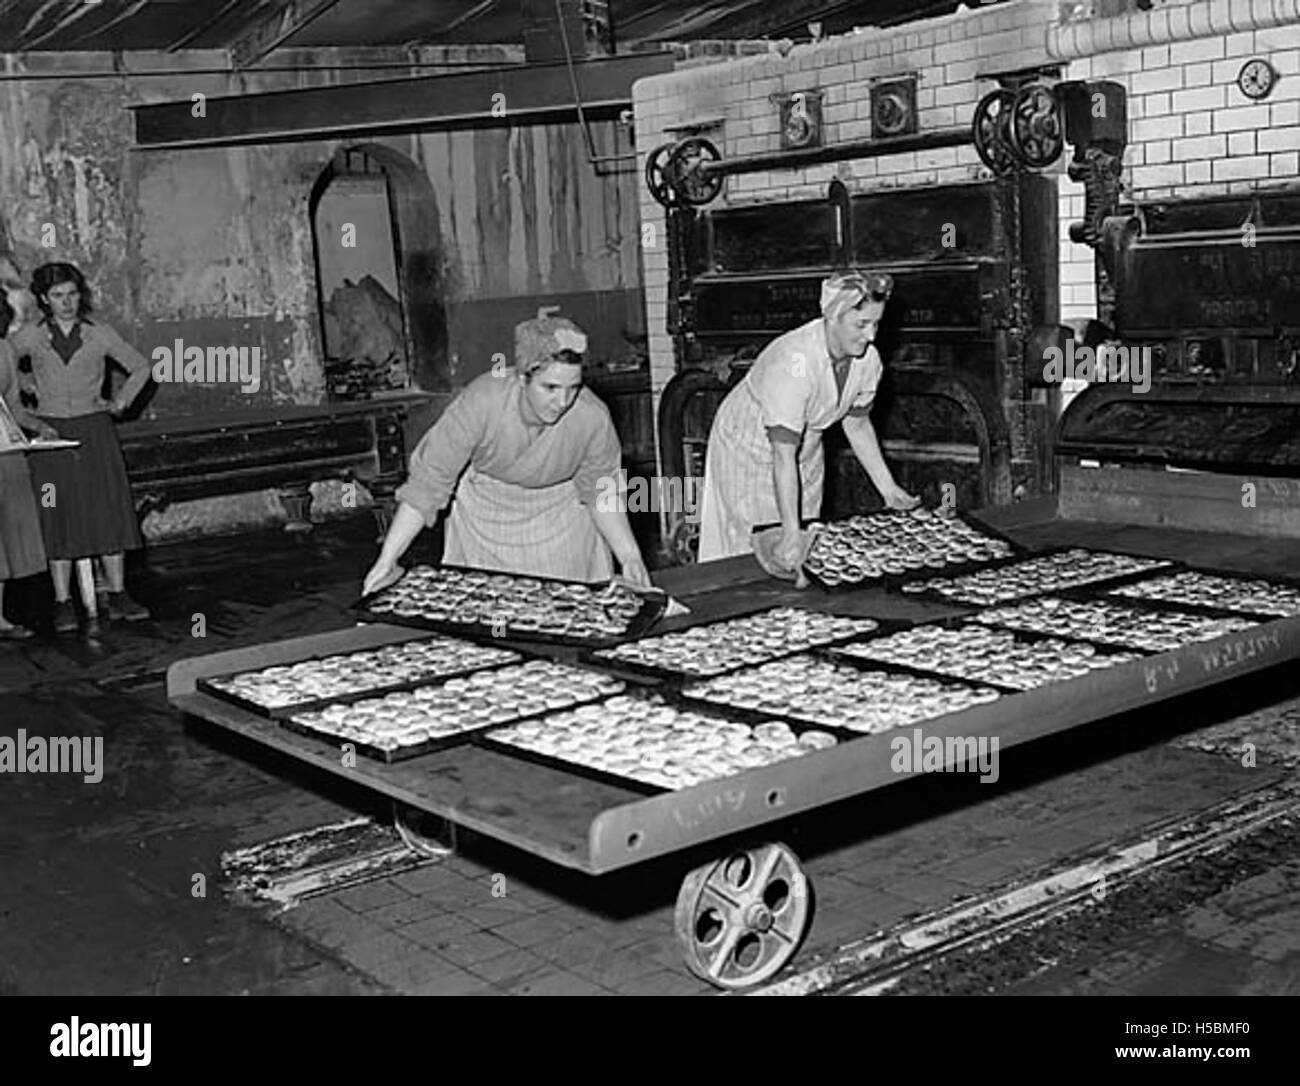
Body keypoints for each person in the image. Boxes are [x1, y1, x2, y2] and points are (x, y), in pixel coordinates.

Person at [363, 310, 651, 594]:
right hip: (487, 521)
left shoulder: (591, 417)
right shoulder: (481, 403)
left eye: (572, 388)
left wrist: (630, 556)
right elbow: (426, 487)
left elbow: (601, 492)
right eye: (549, 387)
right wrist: (387, 560)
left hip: (561, 524)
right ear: (522, 378)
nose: (562, 401)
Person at [697, 270, 920, 568]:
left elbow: (856, 423)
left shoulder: (867, 360)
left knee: (808, 545)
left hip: (807, 441)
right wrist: (790, 532)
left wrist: (889, 489)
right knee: (756, 547)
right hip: (751, 446)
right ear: (833, 316)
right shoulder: (794, 363)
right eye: (861, 324)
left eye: (876, 323)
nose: (871, 335)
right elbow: (782, 454)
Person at [9, 262, 152, 634]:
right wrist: (25, 386)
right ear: (43, 299)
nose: (67, 302)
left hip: (95, 432)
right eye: (58, 296)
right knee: (56, 511)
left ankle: (118, 594)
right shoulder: (29, 337)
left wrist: (119, 403)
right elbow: (5, 363)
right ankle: (62, 601)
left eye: (72, 294)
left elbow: (141, 367)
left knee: (106, 509)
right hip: (50, 437)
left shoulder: (99, 334)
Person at [0, 284, 55, 640]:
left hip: (5, 450)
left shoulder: (4, 349)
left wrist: (42, 427)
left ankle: (0, 619)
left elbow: (15, 406)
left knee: (7, 535)